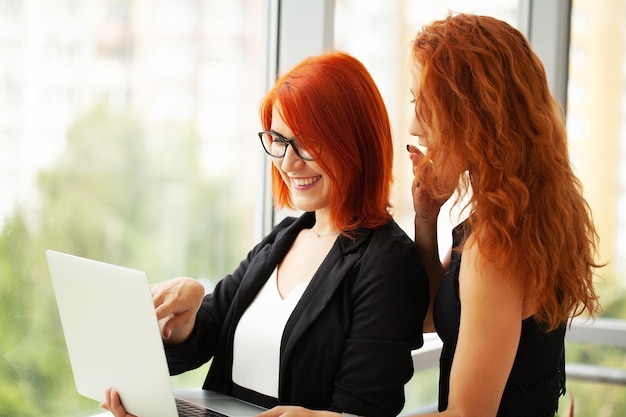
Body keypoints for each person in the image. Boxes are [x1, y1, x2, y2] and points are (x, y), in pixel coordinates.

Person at [101, 51, 430, 417]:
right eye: (278, 140)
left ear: (355, 141)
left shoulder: (388, 263)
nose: (288, 162)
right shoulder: (286, 236)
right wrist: (186, 312)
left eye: (307, 141)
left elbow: (367, 407)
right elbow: (204, 336)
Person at [405, 13, 602, 417]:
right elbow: (431, 318)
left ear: (474, 114)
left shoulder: (494, 249)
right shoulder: (525, 216)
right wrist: (426, 221)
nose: (414, 126)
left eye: (426, 106)